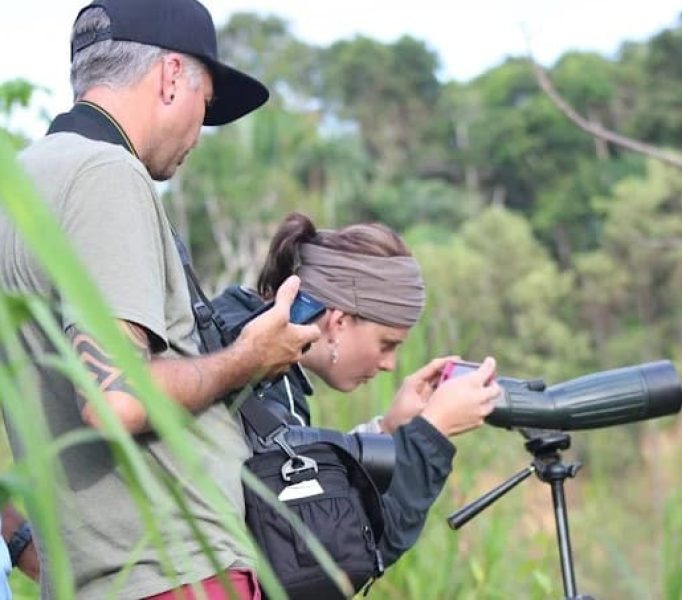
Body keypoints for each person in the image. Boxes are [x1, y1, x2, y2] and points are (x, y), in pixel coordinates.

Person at [0, 1, 319, 598]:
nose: (199, 134)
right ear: (172, 76)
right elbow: (113, 398)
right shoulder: (104, 173)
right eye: (206, 106)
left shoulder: (19, 185)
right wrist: (249, 358)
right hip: (173, 571)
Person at [215, 212, 501, 568]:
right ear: (338, 322)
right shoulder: (267, 384)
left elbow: (299, 476)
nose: (390, 365)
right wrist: (432, 433)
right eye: (387, 344)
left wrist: (388, 432)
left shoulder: (226, 328)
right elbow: (335, 551)